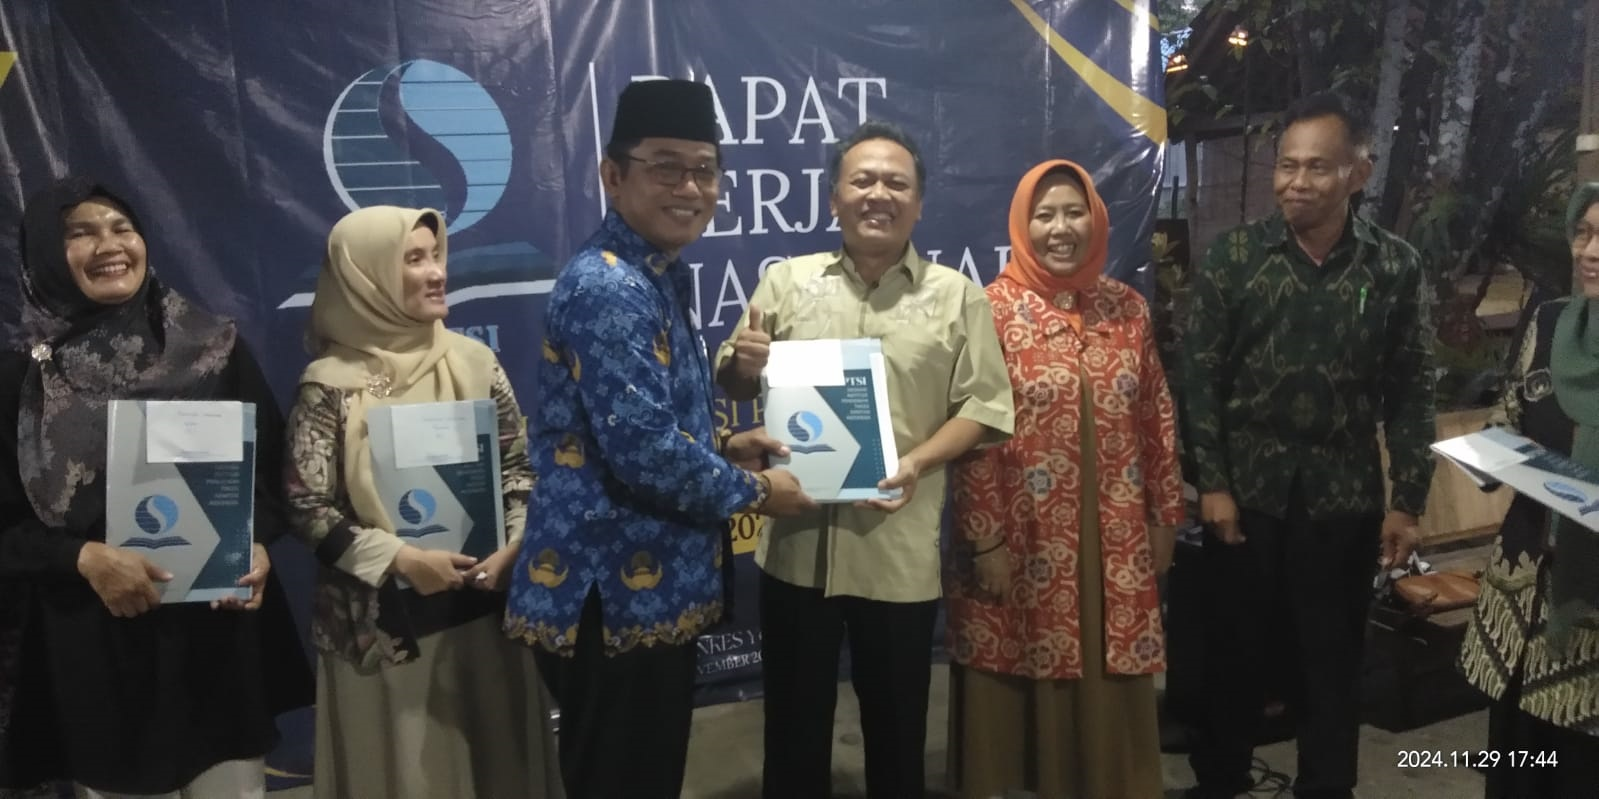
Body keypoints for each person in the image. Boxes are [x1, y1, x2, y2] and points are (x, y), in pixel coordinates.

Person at [502, 79, 813, 799]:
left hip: (644, 589)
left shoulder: (655, 273)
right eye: (666, 167)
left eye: (704, 169)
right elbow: (644, 452)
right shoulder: (609, 287)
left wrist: (724, 448)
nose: (690, 188)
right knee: (621, 778)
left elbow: (633, 427)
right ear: (613, 176)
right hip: (611, 594)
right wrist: (758, 490)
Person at [716, 120, 1015, 799]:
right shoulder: (785, 284)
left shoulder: (956, 296)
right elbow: (733, 382)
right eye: (862, 180)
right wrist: (743, 364)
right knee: (792, 734)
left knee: (897, 735)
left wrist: (917, 462)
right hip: (798, 549)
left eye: (896, 183)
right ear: (834, 198)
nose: (878, 194)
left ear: (919, 203)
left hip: (896, 551)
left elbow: (984, 407)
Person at [0, 178, 313, 798]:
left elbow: (276, 478)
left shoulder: (214, 350)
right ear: (45, 254)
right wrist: (83, 557)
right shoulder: (20, 380)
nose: (109, 245)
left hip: (217, 641)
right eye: (80, 232)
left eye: (122, 227)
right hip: (99, 650)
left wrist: (255, 544)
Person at [1181, 92, 1437, 799]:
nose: (1295, 182)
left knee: (1331, 662)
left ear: (1358, 172)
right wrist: (1211, 484)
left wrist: (1407, 500)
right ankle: (1219, 781)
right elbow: (1198, 379)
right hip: (1246, 497)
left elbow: (1412, 388)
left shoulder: (1393, 267)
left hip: (1342, 500)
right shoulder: (1235, 258)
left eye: (1316, 167)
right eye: (1286, 165)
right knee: (1231, 654)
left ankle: (1325, 786)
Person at [284, 205, 560, 798]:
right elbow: (307, 509)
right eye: (414, 259)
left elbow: (519, 469)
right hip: (386, 630)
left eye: (436, 256)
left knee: (500, 767)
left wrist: (516, 543)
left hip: (486, 616)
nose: (437, 272)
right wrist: (402, 559)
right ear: (366, 276)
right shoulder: (329, 384)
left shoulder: (475, 362)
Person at [945, 159, 1183, 799]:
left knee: (1110, 658)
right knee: (1010, 663)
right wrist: (986, 540)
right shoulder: (989, 310)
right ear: (1022, 225)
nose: (1060, 228)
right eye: (1044, 215)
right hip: (1019, 537)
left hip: (1114, 538)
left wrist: (1165, 517)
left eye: (1074, 213)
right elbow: (972, 436)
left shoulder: (1127, 308)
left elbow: (1156, 418)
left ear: (1095, 220)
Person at [1456, 183, 1599, 798]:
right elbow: (1510, 416)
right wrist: (1488, 453)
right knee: (1518, 770)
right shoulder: (1549, 322)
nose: (1590, 250)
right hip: (1521, 596)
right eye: (1583, 232)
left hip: (1589, 618)